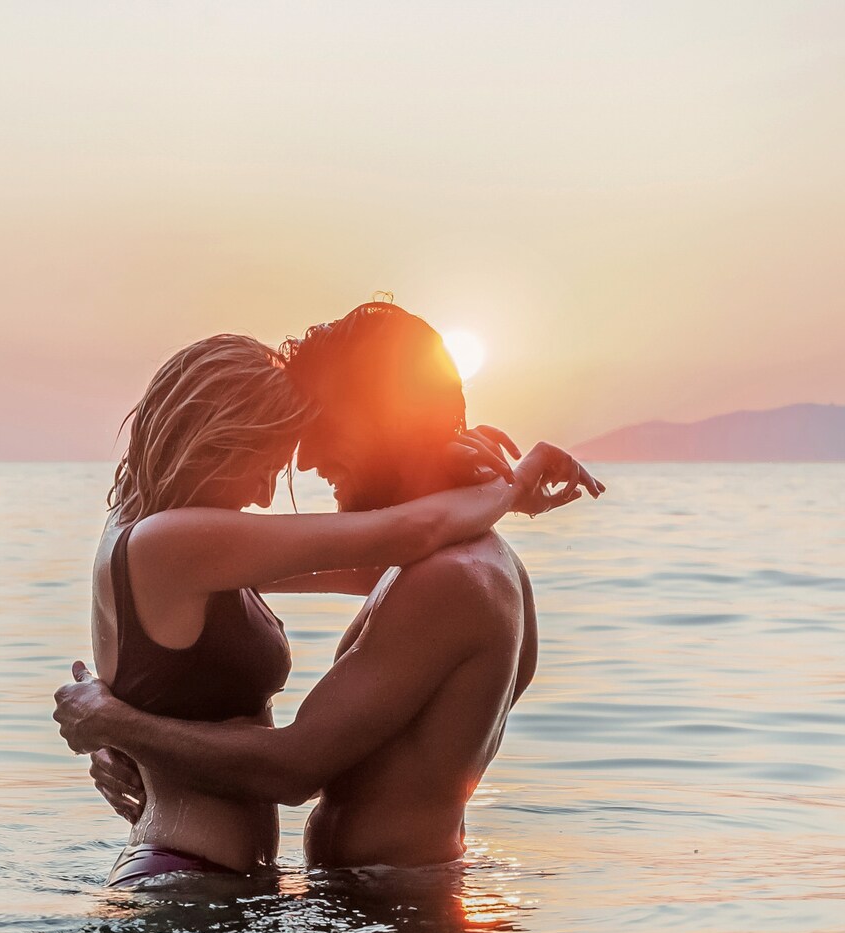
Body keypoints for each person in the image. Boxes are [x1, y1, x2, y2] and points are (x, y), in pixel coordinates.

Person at [58, 303, 602, 870]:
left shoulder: (448, 578)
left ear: (384, 422)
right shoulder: (467, 568)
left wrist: (121, 726)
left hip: (388, 915)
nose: (306, 463)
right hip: (225, 885)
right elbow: (396, 540)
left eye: (324, 428)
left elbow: (298, 765)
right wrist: (125, 731)